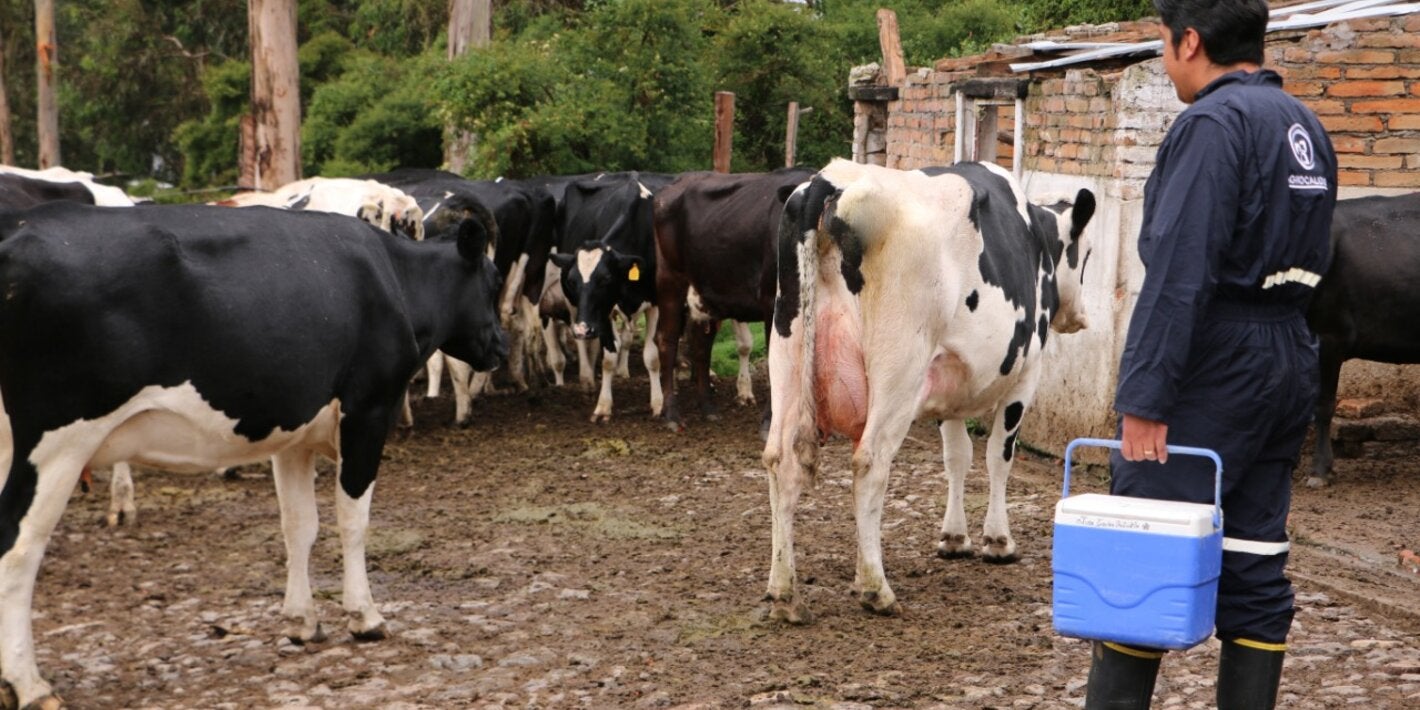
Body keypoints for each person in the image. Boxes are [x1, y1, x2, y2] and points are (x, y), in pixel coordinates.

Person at [1086, 0, 1338, 708]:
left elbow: (1179, 269)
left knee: (1143, 554)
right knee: (1256, 562)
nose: (1165, 62)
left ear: (1190, 41)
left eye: (1164, 45)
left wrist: (1145, 398)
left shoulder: (1210, 125)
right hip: (1288, 352)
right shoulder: (1304, 125)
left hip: (1215, 360)